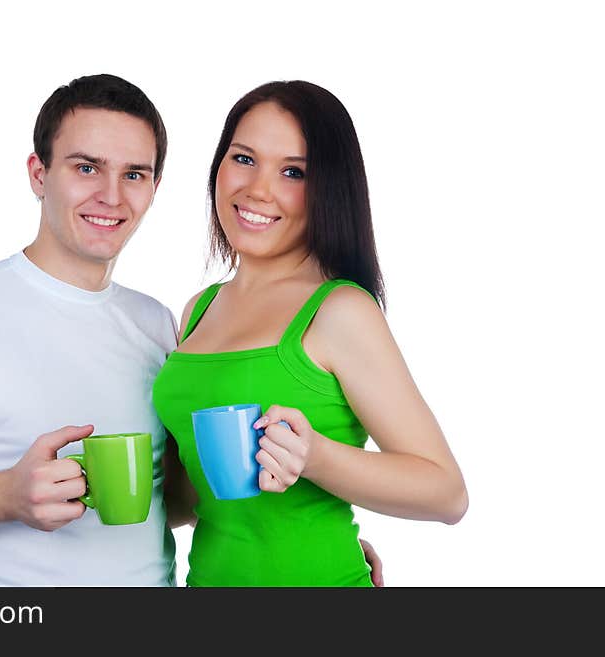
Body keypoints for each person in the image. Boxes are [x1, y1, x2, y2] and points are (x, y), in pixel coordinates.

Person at [0, 73, 385, 586]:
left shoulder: (159, 325)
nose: (111, 195)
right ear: (38, 174)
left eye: (133, 174)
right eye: (86, 167)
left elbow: (176, 499)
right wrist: (5, 495)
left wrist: (313, 550)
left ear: (153, 188)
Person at [153, 80, 467, 586]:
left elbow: (446, 494)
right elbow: (192, 502)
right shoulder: (199, 309)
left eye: (293, 172)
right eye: (244, 158)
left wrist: (315, 457)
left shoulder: (340, 310)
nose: (257, 189)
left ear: (327, 189)